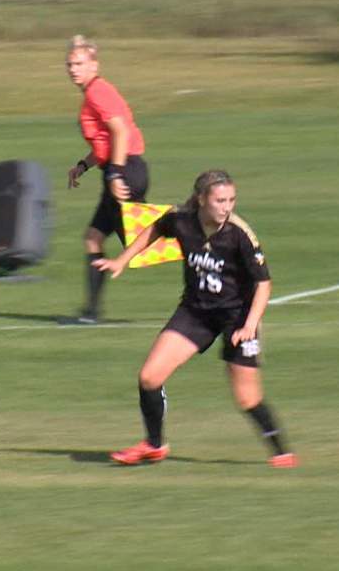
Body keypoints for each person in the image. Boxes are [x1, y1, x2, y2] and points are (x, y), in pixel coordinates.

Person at [94, 169, 296, 468]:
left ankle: (281, 451)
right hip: (195, 312)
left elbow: (263, 284)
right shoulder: (182, 220)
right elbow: (155, 229)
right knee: (149, 377)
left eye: (231, 200)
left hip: (237, 318)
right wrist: (123, 259)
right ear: (201, 199)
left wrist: (250, 324)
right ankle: (154, 445)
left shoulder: (239, 234)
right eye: (220, 200)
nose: (227, 207)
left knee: (247, 398)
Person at [64, 34, 151, 324]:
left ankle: (201, 234)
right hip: (118, 169)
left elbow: (121, 133)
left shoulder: (97, 92)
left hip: (124, 170)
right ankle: (91, 311)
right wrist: (83, 165)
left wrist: (114, 174)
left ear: (94, 65)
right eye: (69, 64)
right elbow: (103, 143)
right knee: (93, 238)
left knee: (142, 246)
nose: (73, 69)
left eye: (79, 63)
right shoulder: (93, 93)